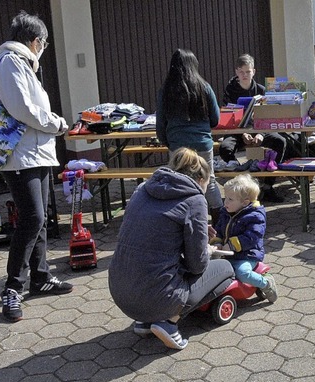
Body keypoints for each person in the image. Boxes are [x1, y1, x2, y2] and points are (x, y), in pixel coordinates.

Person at [0, 11, 72, 322]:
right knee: (32, 218)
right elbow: (24, 110)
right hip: (21, 156)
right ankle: (12, 287)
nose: (43, 48)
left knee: (40, 218)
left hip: (33, 155)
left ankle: (41, 276)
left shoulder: (16, 63)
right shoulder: (10, 63)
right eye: (44, 43)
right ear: (36, 41)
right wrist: (58, 123)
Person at [108, 147, 235, 350]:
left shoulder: (143, 189)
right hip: (158, 297)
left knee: (154, 262)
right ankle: (169, 322)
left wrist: (195, 232)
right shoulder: (195, 199)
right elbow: (197, 265)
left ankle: (145, 322)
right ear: (201, 180)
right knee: (227, 270)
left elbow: (155, 233)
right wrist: (207, 249)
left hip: (120, 291)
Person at [218, 54, 298, 203]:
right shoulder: (230, 90)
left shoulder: (261, 90)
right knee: (224, 148)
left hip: (260, 130)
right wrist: (243, 134)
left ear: (253, 71)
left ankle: (267, 186)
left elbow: (267, 116)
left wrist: (260, 134)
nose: (245, 75)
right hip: (238, 132)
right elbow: (228, 116)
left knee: (281, 141)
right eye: (241, 72)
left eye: (248, 72)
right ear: (236, 72)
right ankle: (243, 183)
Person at [156, 49, 223, 222]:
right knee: (210, 181)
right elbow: (215, 119)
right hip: (202, 143)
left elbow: (160, 123)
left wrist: (168, 142)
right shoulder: (204, 87)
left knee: (178, 184)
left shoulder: (166, 91)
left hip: (177, 144)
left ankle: (182, 223)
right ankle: (219, 224)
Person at [210, 174, 278, 303]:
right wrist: (217, 242)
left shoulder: (255, 216)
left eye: (230, 199)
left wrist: (232, 245)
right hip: (227, 253)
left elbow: (252, 237)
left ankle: (266, 283)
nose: (226, 202)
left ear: (245, 202)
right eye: (226, 198)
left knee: (242, 273)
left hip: (247, 254)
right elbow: (218, 229)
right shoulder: (226, 212)